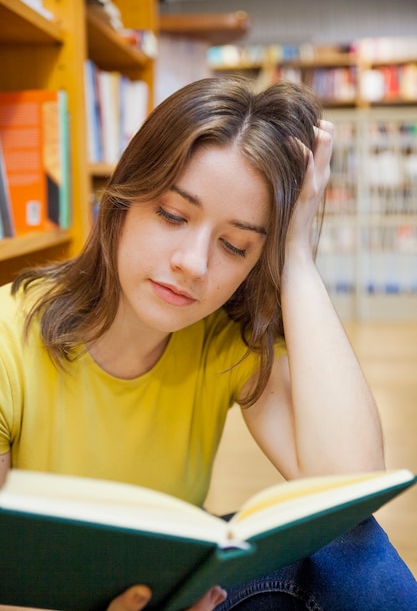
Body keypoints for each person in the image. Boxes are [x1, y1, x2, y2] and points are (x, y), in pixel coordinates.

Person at [0, 77, 416, 611]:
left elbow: (350, 485)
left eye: (235, 245)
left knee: (348, 547)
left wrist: (295, 254)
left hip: (173, 597)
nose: (193, 264)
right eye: (173, 215)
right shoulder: (10, 342)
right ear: (122, 199)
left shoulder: (218, 337)